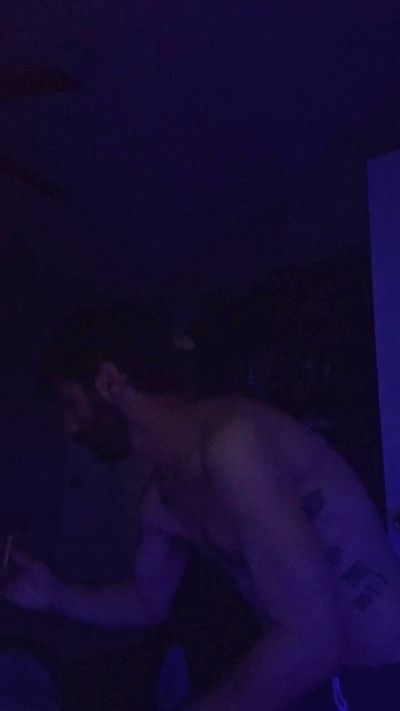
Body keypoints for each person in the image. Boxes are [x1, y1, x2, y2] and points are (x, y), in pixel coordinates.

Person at [2, 301, 400, 710]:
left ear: (109, 382)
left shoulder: (234, 445)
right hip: (317, 681)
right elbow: (147, 602)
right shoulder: (164, 498)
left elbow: (314, 641)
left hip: (377, 682)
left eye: (71, 404)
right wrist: (53, 594)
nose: (70, 428)